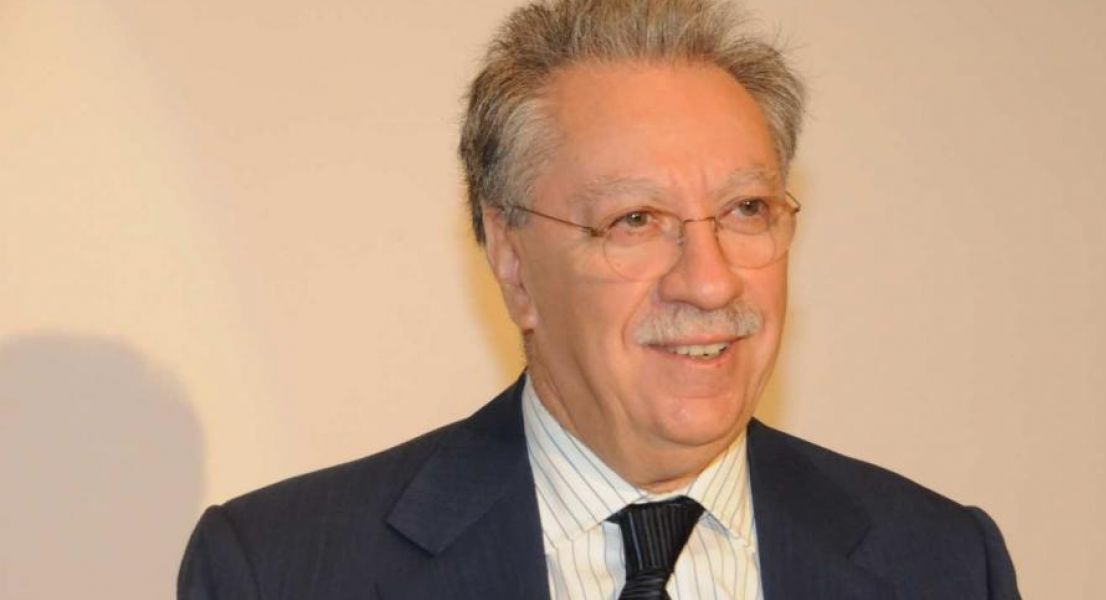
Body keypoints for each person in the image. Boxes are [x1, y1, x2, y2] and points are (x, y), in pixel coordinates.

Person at [177, 1, 1021, 598]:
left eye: (746, 210)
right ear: (513, 262)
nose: (710, 281)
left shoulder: (941, 564)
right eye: (635, 220)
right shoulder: (284, 570)